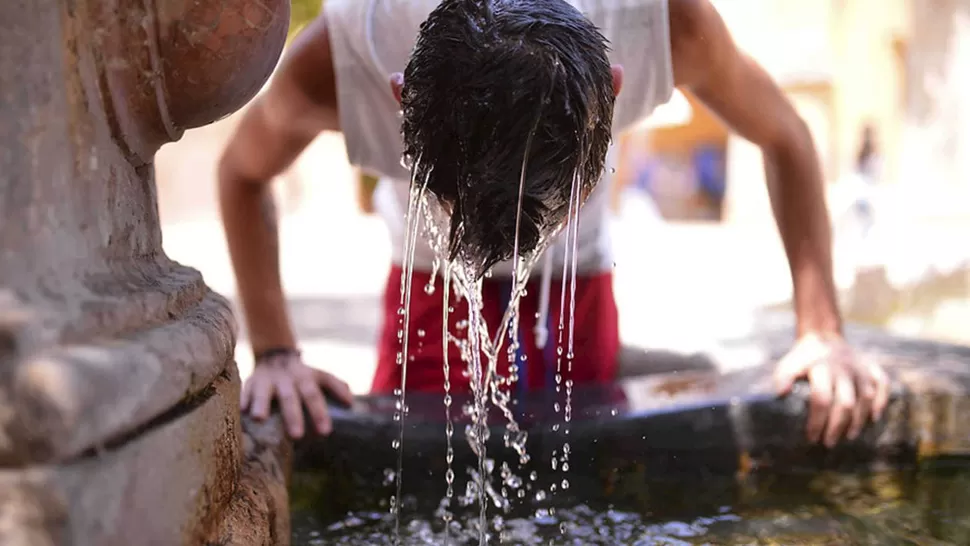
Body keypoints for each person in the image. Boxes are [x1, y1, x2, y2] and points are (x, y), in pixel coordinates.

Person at [218, 0, 890, 449]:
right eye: (464, 203)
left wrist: (821, 328)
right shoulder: (343, 57)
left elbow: (787, 137)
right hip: (434, 292)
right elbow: (241, 174)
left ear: (613, 93)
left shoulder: (663, 23)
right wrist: (276, 351)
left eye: (550, 205)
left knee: (592, 473)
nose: (514, 248)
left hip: (580, 290)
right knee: (416, 476)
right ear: (401, 100)